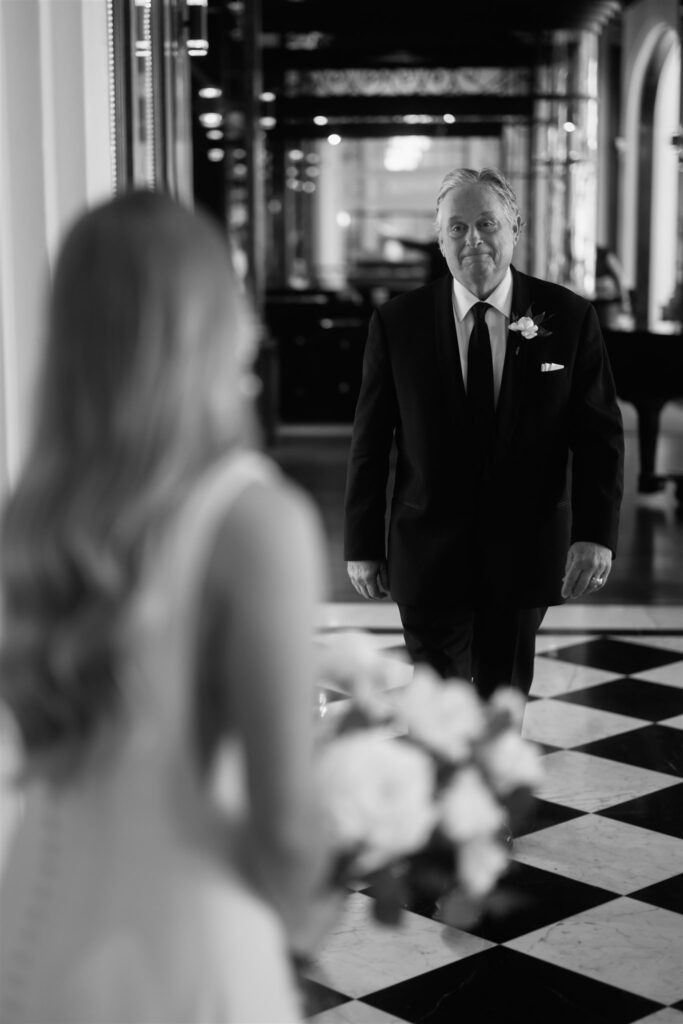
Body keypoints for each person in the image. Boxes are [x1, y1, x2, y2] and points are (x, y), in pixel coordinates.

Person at [0, 190, 337, 1023]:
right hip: (189, 956)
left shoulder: (39, 514)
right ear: (194, 327)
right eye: (232, 297)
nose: (252, 326)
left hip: (35, 942)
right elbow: (286, 827)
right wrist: (316, 903)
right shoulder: (255, 521)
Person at [344, 167, 624, 701]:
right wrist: (362, 543)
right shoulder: (397, 324)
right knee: (437, 712)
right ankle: (448, 786)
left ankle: (492, 786)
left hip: (524, 552)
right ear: (440, 238)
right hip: (425, 552)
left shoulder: (568, 317)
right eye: (457, 227)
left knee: (501, 705)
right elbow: (370, 442)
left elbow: (599, 438)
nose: (473, 239)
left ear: (514, 228)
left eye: (487, 224)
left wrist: (595, 534)